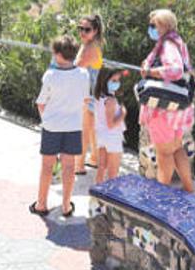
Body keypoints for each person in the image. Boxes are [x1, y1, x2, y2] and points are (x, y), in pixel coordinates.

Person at [30, 36, 90, 218]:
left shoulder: (50, 75)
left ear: (57, 54)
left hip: (52, 127)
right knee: (69, 167)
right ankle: (65, 205)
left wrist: (46, 120)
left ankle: (41, 204)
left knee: (47, 166)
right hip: (73, 126)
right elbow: (85, 100)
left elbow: (41, 103)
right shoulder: (83, 75)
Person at [139, 9, 195, 193]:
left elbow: (175, 70)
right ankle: (189, 189)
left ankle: (162, 196)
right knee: (177, 149)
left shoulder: (167, 45)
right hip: (177, 108)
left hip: (162, 107)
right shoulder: (178, 42)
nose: (151, 28)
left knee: (164, 153)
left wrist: (151, 72)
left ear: (164, 26)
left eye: (153, 25)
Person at [74, 14, 105, 176]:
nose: (82, 32)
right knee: (90, 128)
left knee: (83, 129)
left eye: (87, 29)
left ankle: (79, 165)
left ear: (95, 31)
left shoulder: (90, 49)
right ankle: (94, 158)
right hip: (90, 92)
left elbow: (76, 67)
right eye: (80, 29)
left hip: (87, 94)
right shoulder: (89, 44)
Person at [93, 68, 126, 184]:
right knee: (113, 171)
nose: (117, 83)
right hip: (112, 137)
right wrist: (122, 113)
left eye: (118, 80)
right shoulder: (110, 100)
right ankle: (110, 198)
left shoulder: (99, 97)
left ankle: (98, 195)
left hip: (101, 136)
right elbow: (111, 124)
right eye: (113, 80)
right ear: (104, 81)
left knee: (102, 167)